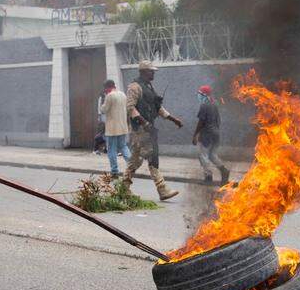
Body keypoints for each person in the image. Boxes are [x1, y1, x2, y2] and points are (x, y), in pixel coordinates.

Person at [124, 59, 183, 201]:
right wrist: (144, 122)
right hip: (140, 129)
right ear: (144, 71)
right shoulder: (134, 87)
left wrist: (173, 119)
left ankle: (124, 188)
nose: (153, 73)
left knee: (135, 160)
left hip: (148, 129)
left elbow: (157, 107)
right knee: (152, 156)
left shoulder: (148, 86)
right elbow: (130, 107)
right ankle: (162, 189)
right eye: (151, 71)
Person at [194, 84, 229, 184]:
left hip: (206, 135)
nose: (198, 95)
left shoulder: (204, 105)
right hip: (215, 134)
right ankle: (224, 171)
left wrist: (195, 135)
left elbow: (201, 122)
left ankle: (208, 177)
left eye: (199, 94)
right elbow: (219, 120)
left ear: (204, 94)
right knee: (212, 155)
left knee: (203, 155)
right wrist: (216, 131)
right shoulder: (215, 104)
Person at [98, 79, 131, 177]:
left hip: (112, 128)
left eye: (105, 89)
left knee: (111, 149)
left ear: (107, 87)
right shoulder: (122, 94)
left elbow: (104, 110)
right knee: (124, 146)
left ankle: (114, 171)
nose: (105, 90)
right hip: (122, 126)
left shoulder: (109, 96)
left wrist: (102, 103)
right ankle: (131, 166)